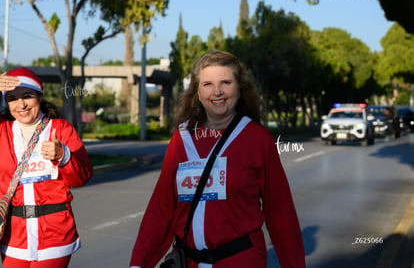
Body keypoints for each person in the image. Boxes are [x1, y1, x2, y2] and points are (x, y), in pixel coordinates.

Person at [129, 51, 305, 268]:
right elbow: (162, 209)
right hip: (187, 262)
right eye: (208, 84)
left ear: (240, 89)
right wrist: (139, 263)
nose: (217, 91)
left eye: (226, 82)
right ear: (197, 92)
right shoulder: (181, 139)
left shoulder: (258, 139)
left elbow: (280, 213)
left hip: (240, 261)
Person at [0, 67, 93, 268]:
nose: (21, 105)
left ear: (39, 97)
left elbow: (82, 176)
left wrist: (64, 155)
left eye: (27, 96)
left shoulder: (61, 129)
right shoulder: (2, 131)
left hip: (54, 235)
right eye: (13, 98)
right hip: (13, 237)